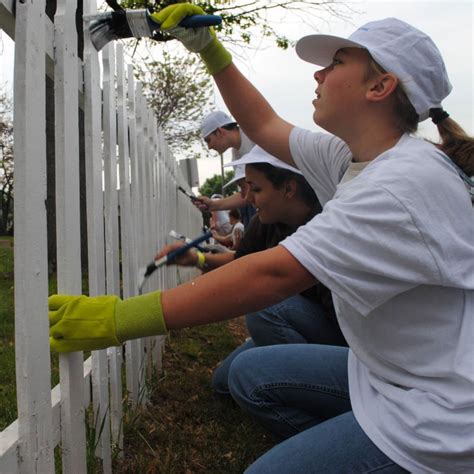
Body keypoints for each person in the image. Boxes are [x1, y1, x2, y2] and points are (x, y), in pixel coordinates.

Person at [49, 6, 474, 473]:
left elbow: (273, 274)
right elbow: (266, 127)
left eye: (336, 63)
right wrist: (210, 52)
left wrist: (118, 318)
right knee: (249, 376)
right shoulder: (355, 158)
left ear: (379, 86)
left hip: (443, 415)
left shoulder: (401, 183)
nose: (318, 72)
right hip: (385, 376)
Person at [157, 145, 344, 395]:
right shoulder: (266, 221)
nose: (247, 198)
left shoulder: (328, 227)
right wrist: (198, 258)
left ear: (289, 189)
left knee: (266, 312)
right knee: (224, 383)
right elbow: (240, 261)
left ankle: (316, 392)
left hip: (343, 338)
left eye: (255, 189)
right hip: (299, 321)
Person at [198, 111, 256, 227]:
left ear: (219, 132)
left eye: (208, 140)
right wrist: (213, 205)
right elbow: (245, 196)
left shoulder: (254, 140)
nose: (209, 147)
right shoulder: (236, 153)